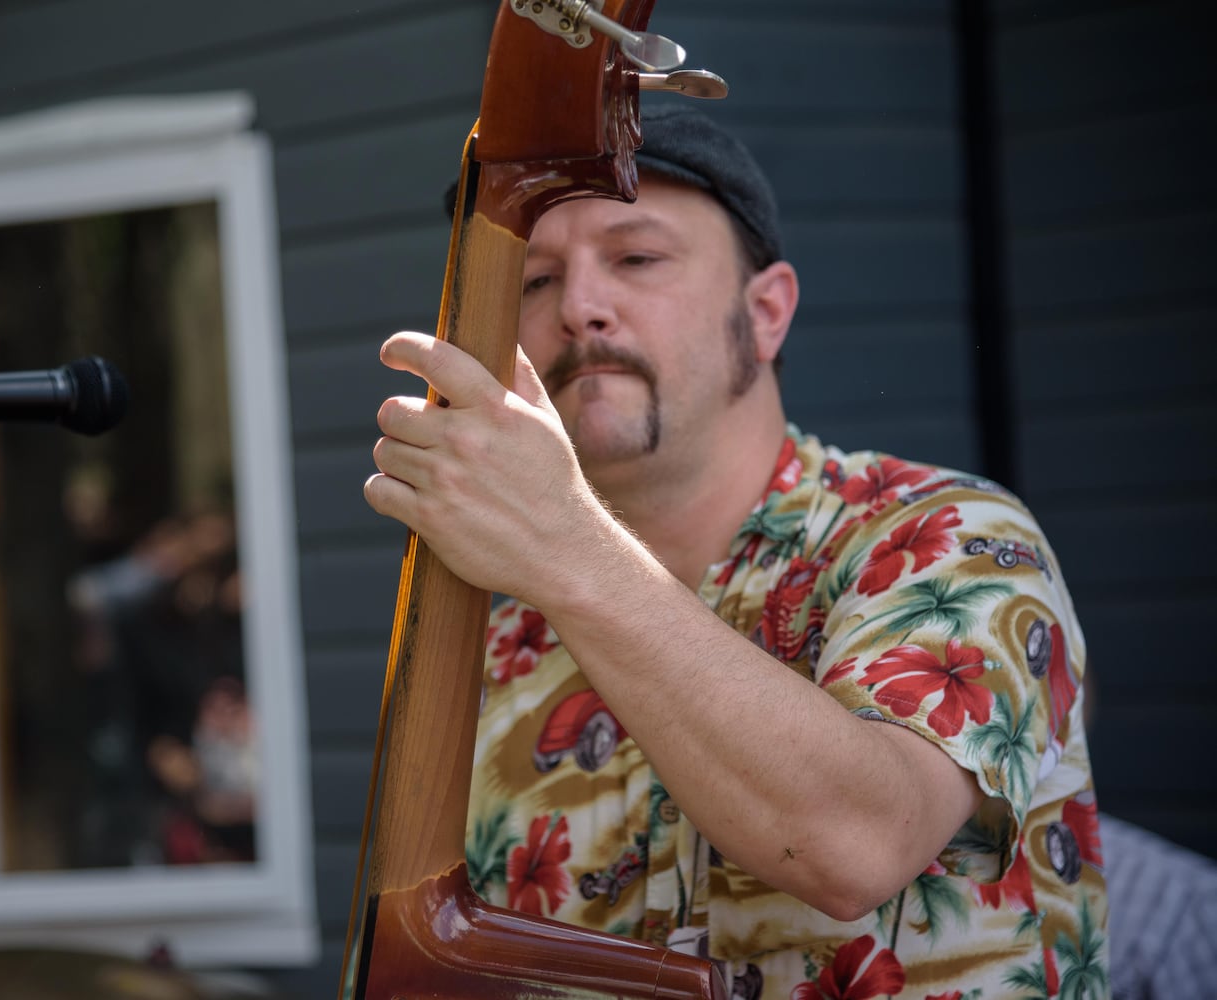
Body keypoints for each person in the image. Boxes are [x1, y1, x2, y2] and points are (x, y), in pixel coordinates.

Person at [363, 105, 1108, 998]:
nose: (578, 307)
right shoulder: (482, 638)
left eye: (637, 258)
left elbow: (857, 845)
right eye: (534, 279)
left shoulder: (952, 534)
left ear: (765, 313)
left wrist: (564, 544)